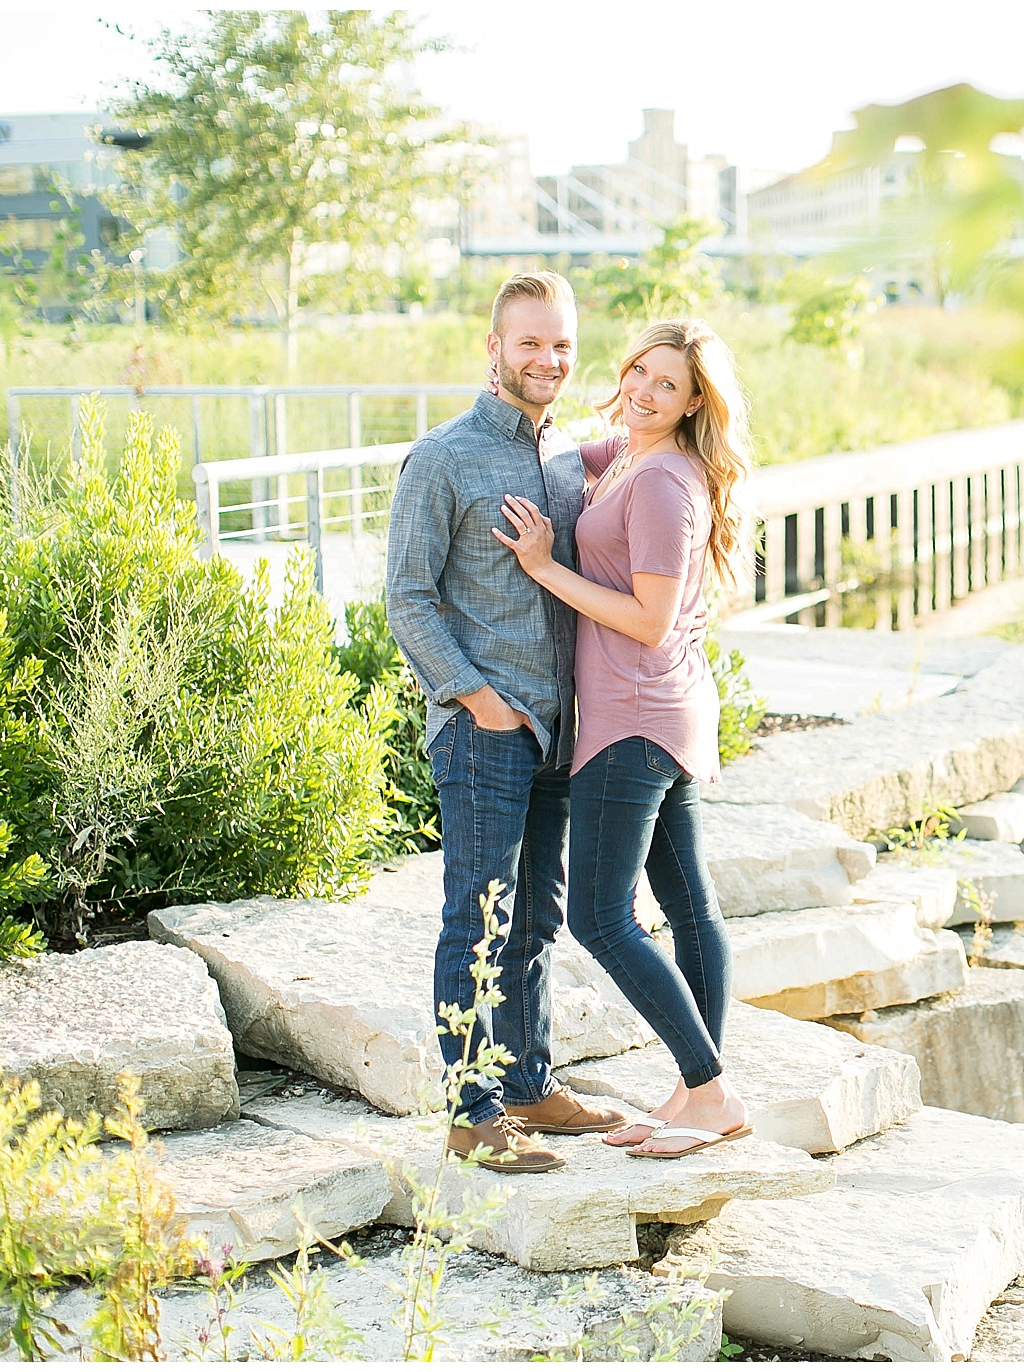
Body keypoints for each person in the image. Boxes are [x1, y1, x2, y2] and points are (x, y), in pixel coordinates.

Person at [385, 271, 631, 1173]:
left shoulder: (569, 461)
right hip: (483, 727)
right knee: (477, 915)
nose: (549, 360)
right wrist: (476, 698)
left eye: (562, 344)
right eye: (530, 343)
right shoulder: (442, 458)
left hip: (561, 732)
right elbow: (407, 600)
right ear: (494, 349)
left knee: (537, 918)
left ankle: (528, 1083)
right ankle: (470, 1110)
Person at [492, 318, 752, 1159]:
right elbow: (570, 457)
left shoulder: (665, 482)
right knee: (686, 906)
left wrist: (542, 569)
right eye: (639, 369)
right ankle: (693, 1092)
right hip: (661, 711)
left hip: (633, 715)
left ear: (693, 404)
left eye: (667, 384)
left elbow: (648, 619)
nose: (642, 389)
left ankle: (709, 1092)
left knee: (604, 919)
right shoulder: (631, 457)